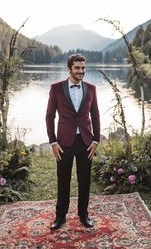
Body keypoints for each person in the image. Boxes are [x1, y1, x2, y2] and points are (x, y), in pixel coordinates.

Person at [46, 54, 100, 230]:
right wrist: (53, 142)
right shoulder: (56, 88)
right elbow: (49, 116)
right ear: (69, 68)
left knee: (85, 180)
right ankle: (60, 217)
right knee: (63, 180)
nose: (81, 71)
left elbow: (95, 115)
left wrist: (96, 140)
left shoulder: (91, 89)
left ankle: (83, 215)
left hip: (85, 141)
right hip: (64, 142)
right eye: (77, 68)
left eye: (83, 68)